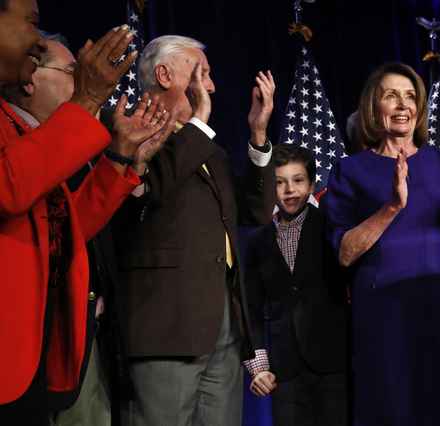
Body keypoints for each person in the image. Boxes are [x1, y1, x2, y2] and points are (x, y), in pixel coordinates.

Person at [0, 1, 176, 423]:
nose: (39, 42)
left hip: (32, 358)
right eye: (33, 24)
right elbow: (9, 187)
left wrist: (119, 156)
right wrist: (88, 97)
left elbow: (66, 228)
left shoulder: (22, 129)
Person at [116, 35, 277, 426]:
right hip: (166, 322)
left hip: (222, 323)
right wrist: (200, 125)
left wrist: (257, 136)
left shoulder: (209, 148)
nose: (211, 86)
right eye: (201, 73)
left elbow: (254, 210)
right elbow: (154, 188)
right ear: (164, 74)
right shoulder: (128, 128)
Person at [325, 62, 440, 425]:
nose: (403, 105)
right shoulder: (349, 169)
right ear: (374, 107)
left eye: (410, 96)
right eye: (391, 96)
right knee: (393, 408)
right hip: (385, 313)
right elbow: (344, 252)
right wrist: (392, 206)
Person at [243, 143, 351, 426]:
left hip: (336, 361)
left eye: (298, 180)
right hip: (285, 367)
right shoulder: (257, 242)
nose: (290, 190)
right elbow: (250, 309)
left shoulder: (331, 226)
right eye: (279, 182)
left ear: (313, 183)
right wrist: (258, 367)